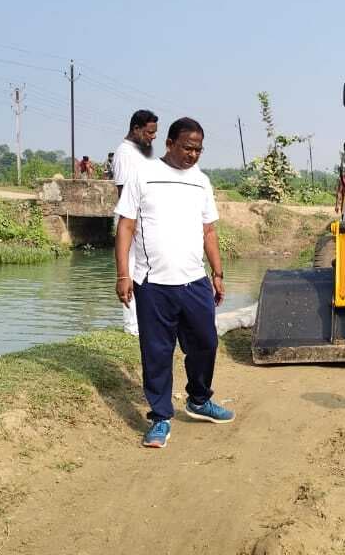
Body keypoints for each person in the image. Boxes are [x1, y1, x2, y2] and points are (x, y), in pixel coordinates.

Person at [114, 117, 233, 448]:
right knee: (157, 351)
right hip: (153, 284)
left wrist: (218, 273)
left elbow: (209, 231)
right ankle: (160, 417)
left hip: (194, 281)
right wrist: (123, 274)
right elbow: (125, 227)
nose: (192, 155)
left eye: (198, 149)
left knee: (207, 342)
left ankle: (198, 399)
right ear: (169, 144)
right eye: (186, 147)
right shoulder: (144, 175)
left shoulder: (201, 182)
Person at [112, 110, 159, 337]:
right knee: (129, 269)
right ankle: (132, 327)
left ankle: (144, 321)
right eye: (150, 132)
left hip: (145, 219)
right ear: (136, 129)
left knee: (145, 270)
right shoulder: (124, 153)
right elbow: (123, 192)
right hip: (131, 220)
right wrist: (133, 224)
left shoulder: (141, 153)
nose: (153, 137)